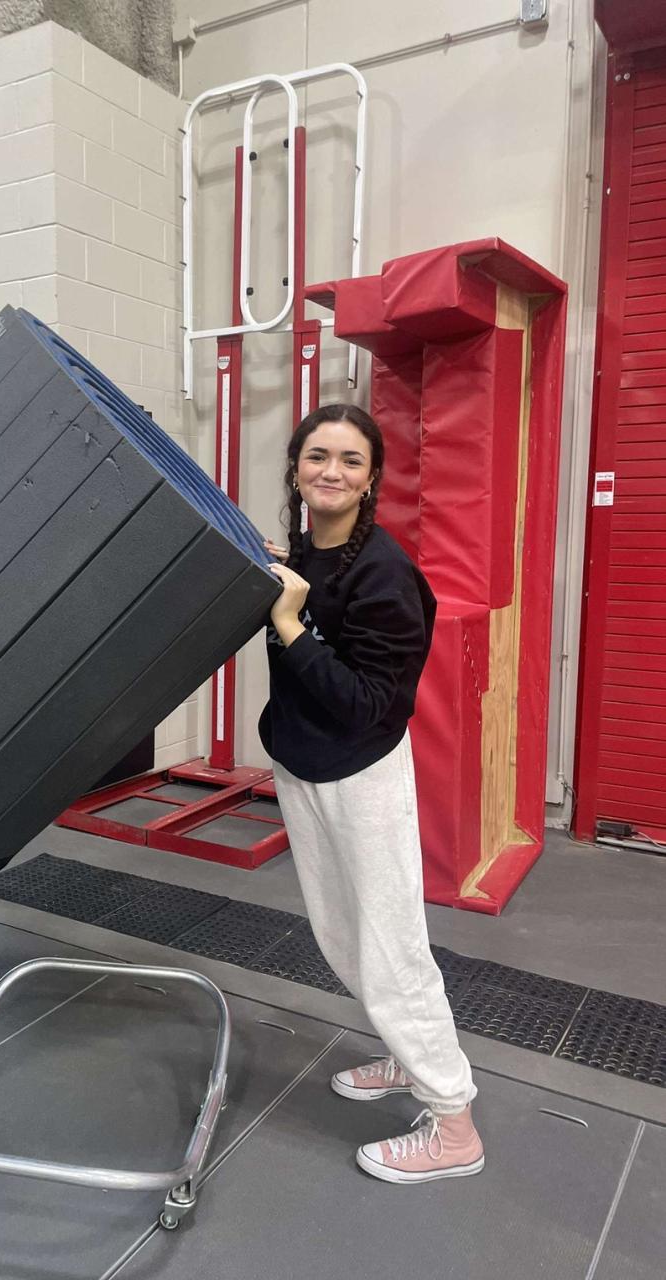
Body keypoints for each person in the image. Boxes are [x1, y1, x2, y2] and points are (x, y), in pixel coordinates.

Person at [261, 402, 484, 1185]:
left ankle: (452, 1123)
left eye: (349, 460)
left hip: (359, 773)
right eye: (316, 455)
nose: (330, 471)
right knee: (341, 935)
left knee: (390, 948)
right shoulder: (300, 556)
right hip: (301, 764)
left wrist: (291, 624)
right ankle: (402, 1054)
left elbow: (365, 705)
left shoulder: (384, 574)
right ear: (295, 467)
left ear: (370, 479)